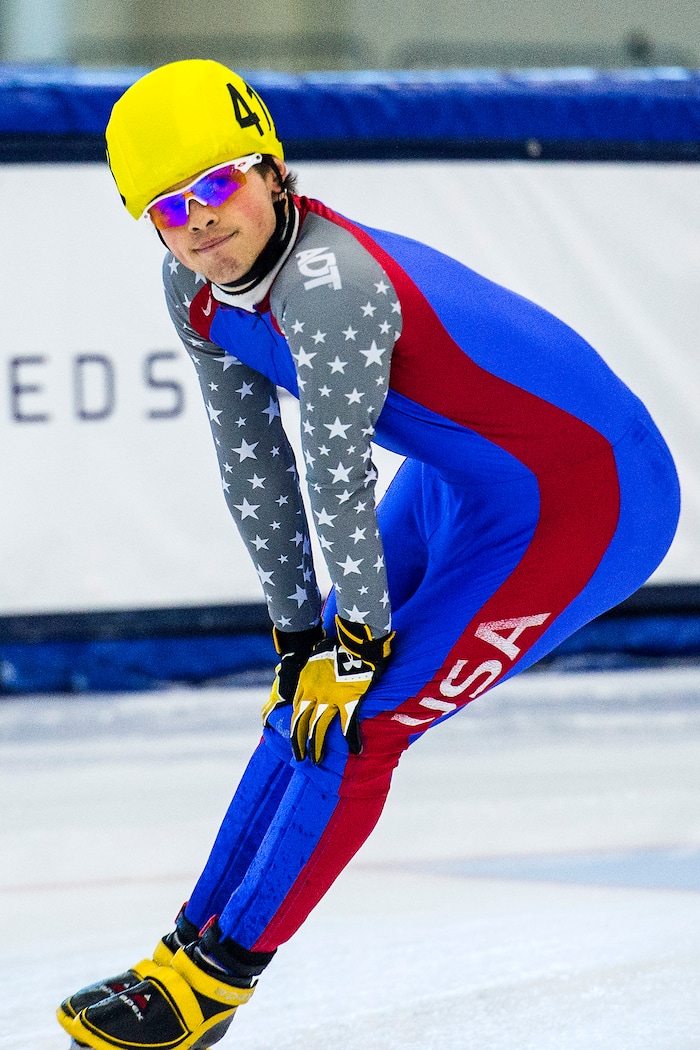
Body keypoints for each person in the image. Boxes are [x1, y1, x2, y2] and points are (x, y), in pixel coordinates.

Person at [57, 58, 680, 1050]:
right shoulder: (193, 291)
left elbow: (333, 470)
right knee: (298, 706)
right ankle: (183, 949)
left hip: (589, 497)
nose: (201, 222)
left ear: (271, 171)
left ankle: (217, 985)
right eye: (170, 209)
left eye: (218, 184)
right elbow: (250, 467)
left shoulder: (331, 287)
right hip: (468, 482)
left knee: (360, 721)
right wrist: (300, 632)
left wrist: (351, 641)